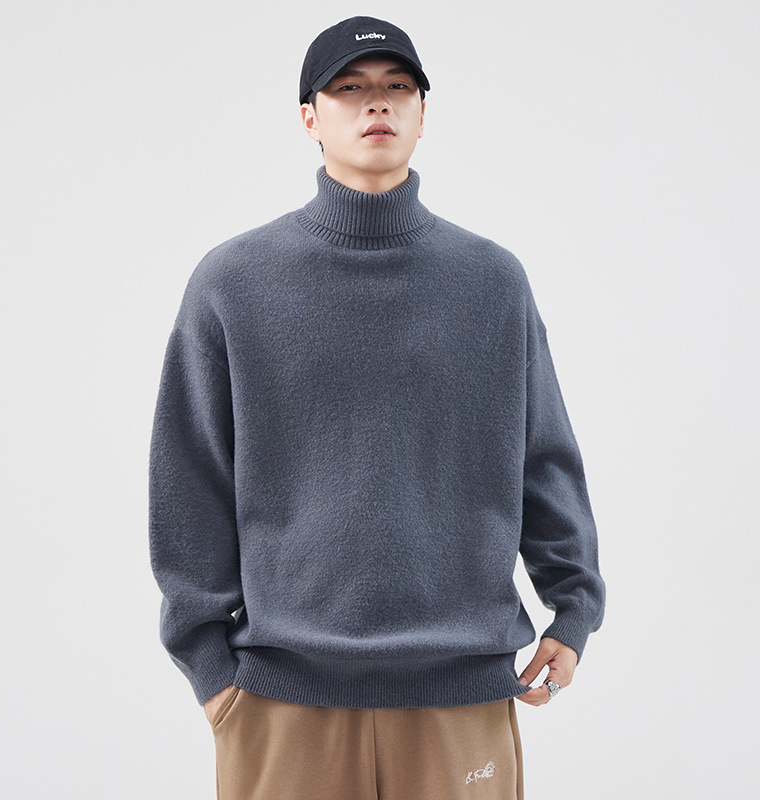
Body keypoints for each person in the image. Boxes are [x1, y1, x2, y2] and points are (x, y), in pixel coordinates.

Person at [148, 15, 605, 800]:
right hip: (280, 700)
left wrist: (573, 609)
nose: (377, 103)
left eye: (398, 87)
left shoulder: (491, 283)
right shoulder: (234, 282)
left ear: (424, 114)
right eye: (349, 88)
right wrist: (210, 671)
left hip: (459, 692)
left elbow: (543, 458)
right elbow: (187, 480)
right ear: (309, 117)